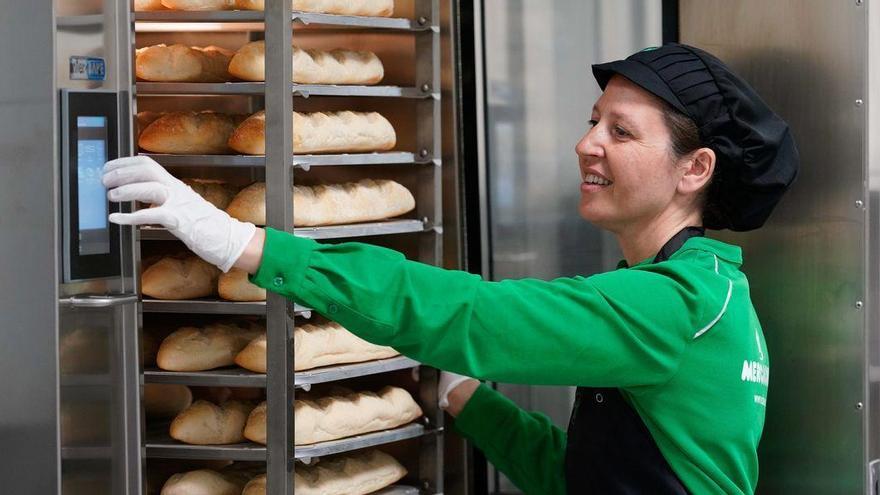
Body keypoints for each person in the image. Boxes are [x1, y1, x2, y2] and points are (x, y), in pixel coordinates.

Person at [103, 43, 798, 494]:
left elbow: (473, 314)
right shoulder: (712, 291)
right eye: (593, 121)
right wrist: (462, 394)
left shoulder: (671, 304)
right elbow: (583, 479)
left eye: (620, 131)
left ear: (695, 168)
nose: (586, 144)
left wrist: (247, 246)